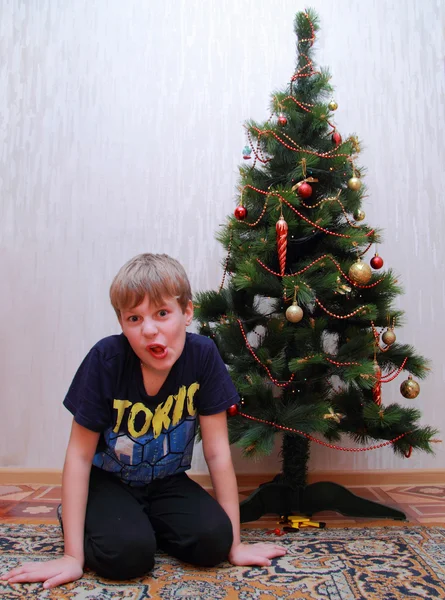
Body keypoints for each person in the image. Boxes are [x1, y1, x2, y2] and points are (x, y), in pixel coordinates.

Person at [2, 253, 286, 590]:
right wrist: (72, 557)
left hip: (167, 481)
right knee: (127, 557)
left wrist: (235, 545)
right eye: (134, 318)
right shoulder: (105, 360)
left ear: (187, 312)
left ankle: (147, 522)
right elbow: (79, 456)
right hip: (108, 481)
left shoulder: (203, 356)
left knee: (214, 544)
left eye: (162, 313)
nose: (149, 330)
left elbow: (217, 452)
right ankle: (88, 518)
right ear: (121, 323)